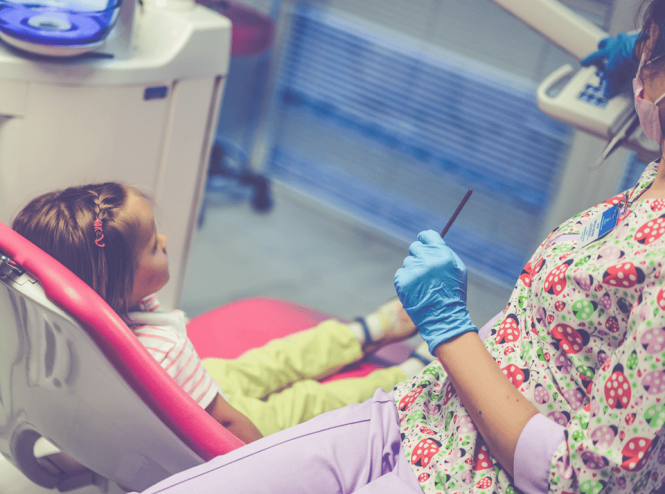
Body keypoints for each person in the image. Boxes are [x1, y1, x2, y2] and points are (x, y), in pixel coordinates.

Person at [115, 1, 665, 492]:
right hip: (420, 410)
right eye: (644, 44)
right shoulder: (649, 183)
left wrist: (449, 330)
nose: (640, 62)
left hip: (465, 473)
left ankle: (382, 335)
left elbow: (583, 479)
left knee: (293, 383)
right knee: (276, 379)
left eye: (649, 47)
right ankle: (384, 337)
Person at [11, 182, 430, 443]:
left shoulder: (56, 325)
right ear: (118, 282)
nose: (165, 240)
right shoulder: (164, 348)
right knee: (308, 400)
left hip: (190, 386)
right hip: (205, 414)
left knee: (267, 362)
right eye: (153, 246)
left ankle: (363, 332)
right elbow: (227, 428)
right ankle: (405, 377)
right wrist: (267, 460)